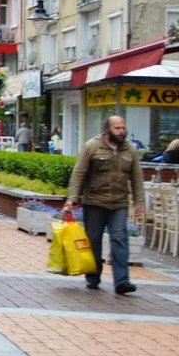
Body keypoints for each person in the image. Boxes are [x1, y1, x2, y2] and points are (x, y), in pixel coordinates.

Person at [66, 115, 143, 295]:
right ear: (107, 129)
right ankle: (93, 276)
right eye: (117, 128)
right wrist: (72, 199)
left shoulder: (130, 150)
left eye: (123, 127)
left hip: (119, 203)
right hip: (95, 201)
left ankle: (122, 281)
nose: (121, 131)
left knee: (120, 239)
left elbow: (137, 178)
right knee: (94, 240)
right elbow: (79, 173)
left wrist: (139, 202)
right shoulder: (92, 146)